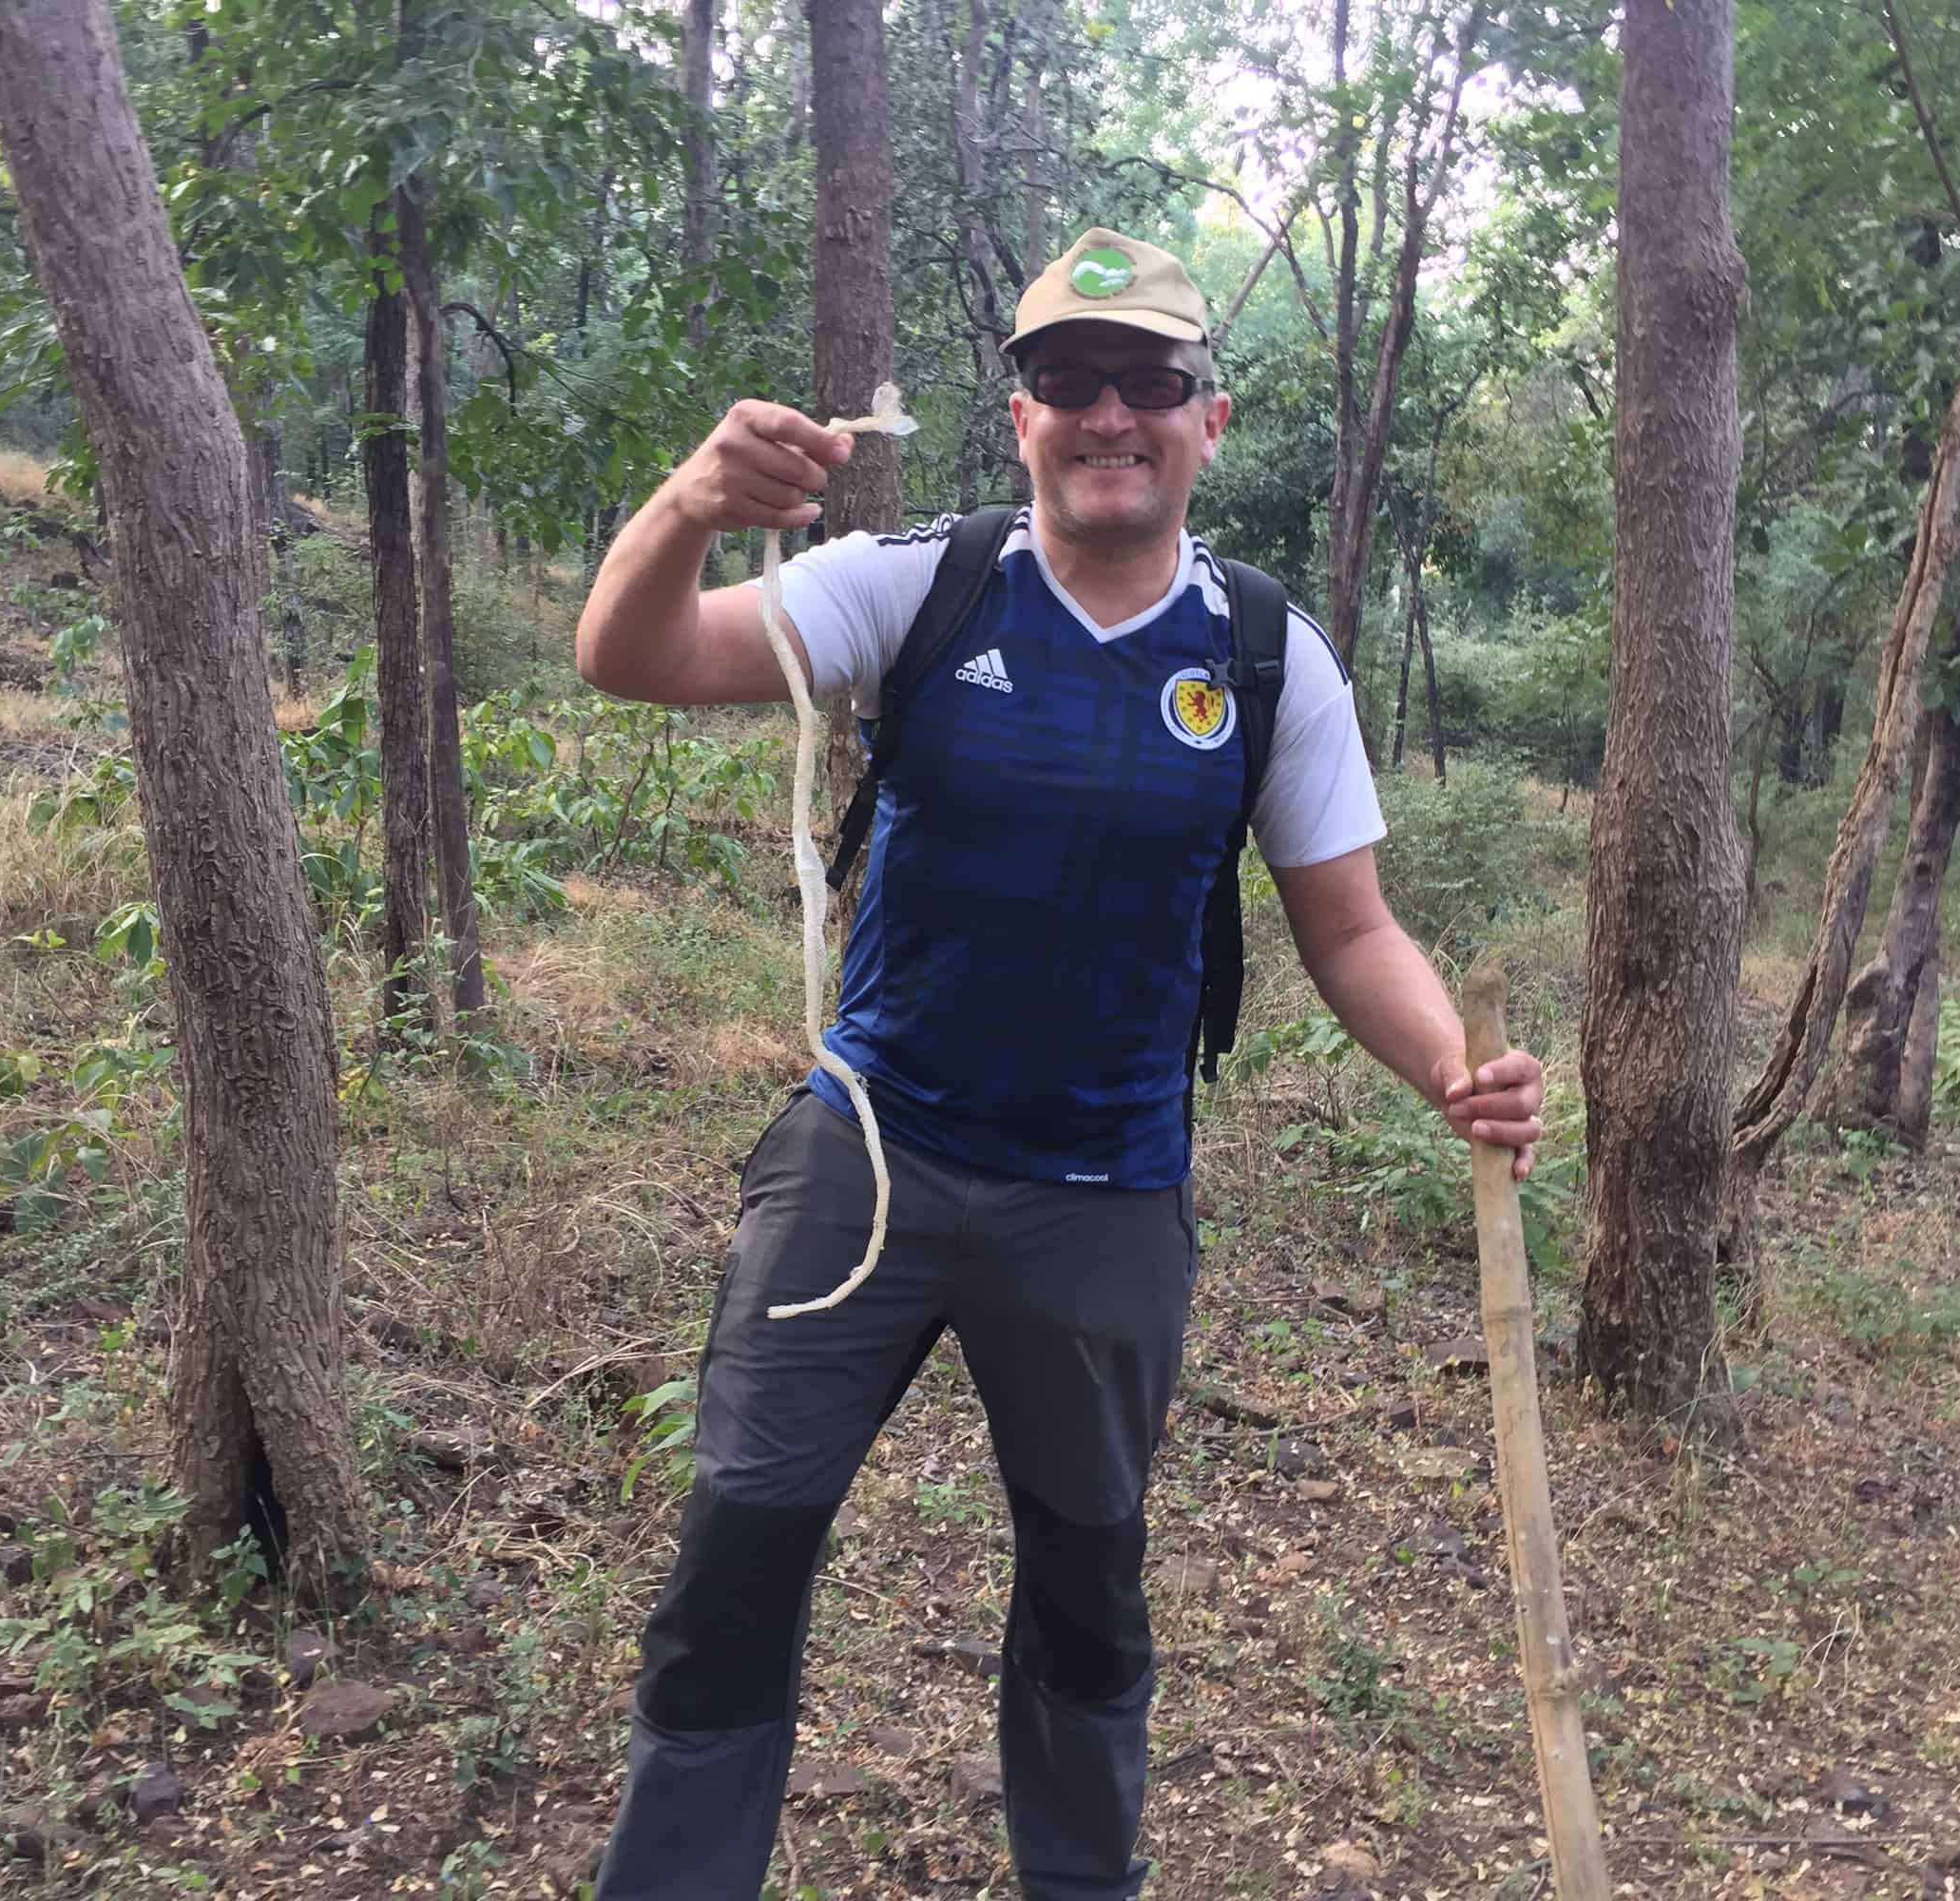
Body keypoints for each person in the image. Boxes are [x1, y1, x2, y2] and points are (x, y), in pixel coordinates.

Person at [573, 226, 1545, 1900]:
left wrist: (1456, 1065)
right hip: (865, 1162)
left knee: (1089, 1593)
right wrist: (687, 508)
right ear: (1018, 415)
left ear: (1207, 420)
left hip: (1107, 1196)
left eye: (1149, 381)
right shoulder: (920, 586)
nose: (1112, 414)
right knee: (737, 1548)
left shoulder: (1262, 653)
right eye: (1068, 382)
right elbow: (631, 657)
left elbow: (1352, 929)